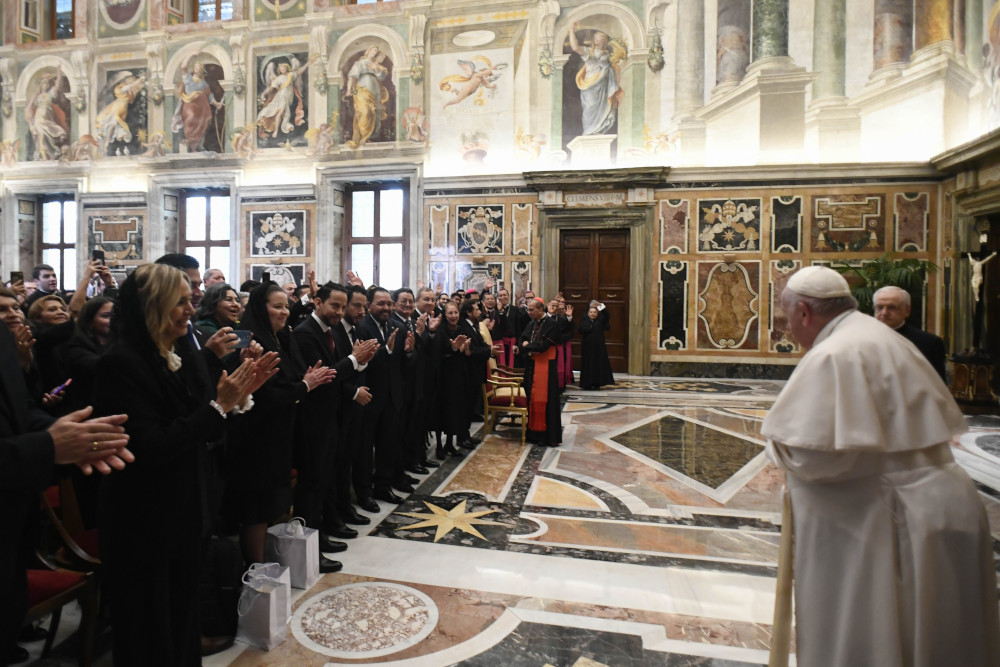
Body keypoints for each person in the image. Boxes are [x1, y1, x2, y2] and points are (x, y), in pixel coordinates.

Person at [761, 266, 1000, 667]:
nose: (790, 330)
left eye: (787, 320)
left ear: (803, 311)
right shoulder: (877, 337)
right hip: (939, 506)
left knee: (885, 637)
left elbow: (814, 456)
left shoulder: (835, 353)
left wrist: (774, 445)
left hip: (894, 521)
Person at [93, 263, 270, 666]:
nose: (191, 310)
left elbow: (200, 420)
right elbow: (152, 446)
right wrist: (220, 406)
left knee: (181, 618)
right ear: (152, 307)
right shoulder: (120, 363)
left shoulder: (172, 352)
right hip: (144, 520)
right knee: (149, 628)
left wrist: (237, 396)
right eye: (180, 302)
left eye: (191, 301)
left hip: (184, 510)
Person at [1, 323, 131, 665]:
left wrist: (67, 436)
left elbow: (20, 411)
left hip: (12, 523)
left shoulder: (3, 336)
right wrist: (46, 446)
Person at [224, 282, 334, 568]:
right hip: (255, 435)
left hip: (281, 431)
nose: (285, 312)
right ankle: (256, 570)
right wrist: (305, 386)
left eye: (286, 305)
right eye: (277, 306)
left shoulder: (281, 337)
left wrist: (305, 380)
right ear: (261, 308)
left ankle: (271, 562)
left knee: (273, 502)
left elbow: (294, 379)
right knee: (257, 507)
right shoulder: (245, 339)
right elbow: (262, 394)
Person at [292, 283, 376, 564]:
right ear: (317, 302)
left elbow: (339, 371)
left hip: (330, 417)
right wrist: (354, 359)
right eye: (335, 306)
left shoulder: (328, 331)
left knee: (323, 480)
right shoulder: (306, 333)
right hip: (313, 420)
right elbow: (326, 375)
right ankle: (309, 548)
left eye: (342, 307)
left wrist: (359, 361)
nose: (339, 312)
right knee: (312, 484)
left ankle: (319, 536)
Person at [873, 285, 946, 381]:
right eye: (880, 307)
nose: (884, 313)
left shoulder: (930, 343)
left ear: (907, 310)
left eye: (892, 307)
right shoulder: (861, 340)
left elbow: (938, 386)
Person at [519, 298, 562, 446]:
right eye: (528, 310)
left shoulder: (552, 325)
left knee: (546, 401)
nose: (529, 312)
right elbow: (522, 339)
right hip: (531, 366)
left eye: (531, 310)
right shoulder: (531, 323)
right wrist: (527, 345)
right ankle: (533, 433)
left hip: (546, 368)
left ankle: (546, 436)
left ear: (540, 309)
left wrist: (528, 345)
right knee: (532, 399)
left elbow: (544, 346)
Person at [568, 21, 624, 136]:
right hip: (590, 85)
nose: (601, 40)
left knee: (603, 107)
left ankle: (599, 130)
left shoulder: (608, 55)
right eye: (598, 38)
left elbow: (614, 67)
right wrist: (571, 30)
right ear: (594, 40)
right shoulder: (588, 51)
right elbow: (574, 47)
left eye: (603, 38)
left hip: (603, 86)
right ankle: (589, 131)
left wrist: (616, 76)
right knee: (589, 109)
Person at [171, 54, 223, 152]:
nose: (196, 68)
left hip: (203, 107)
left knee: (204, 123)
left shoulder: (203, 83)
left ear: (202, 69)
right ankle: (190, 140)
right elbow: (183, 67)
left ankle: (198, 144)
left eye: (199, 66)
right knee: (190, 118)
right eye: (195, 66)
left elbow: (210, 95)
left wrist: (216, 103)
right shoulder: (188, 79)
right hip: (190, 105)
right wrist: (192, 54)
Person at [345, 46, 390, 149]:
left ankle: (369, 136)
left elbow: (382, 77)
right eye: (373, 50)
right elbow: (352, 76)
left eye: (376, 51)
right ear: (368, 51)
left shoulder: (376, 64)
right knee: (365, 111)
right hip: (362, 89)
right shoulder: (360, 63)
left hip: (375, 90)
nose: (375, 52)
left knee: (375, 113)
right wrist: (348, 90)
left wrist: (376, 68)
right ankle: (363, 135)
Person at [578, 301, 614, 390]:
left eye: (594, 312)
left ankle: (597, 383)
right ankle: (587, 383)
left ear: (597, 313)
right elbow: (580, 329)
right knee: (588, 365)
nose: (592, 314)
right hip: (587, 347)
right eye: (591, 312)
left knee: (598, 365)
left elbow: (607, 316)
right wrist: (590, 328)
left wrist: (602, 307)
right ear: (588, 312)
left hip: (599, 347)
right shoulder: (584, 318)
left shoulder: (600, 319)